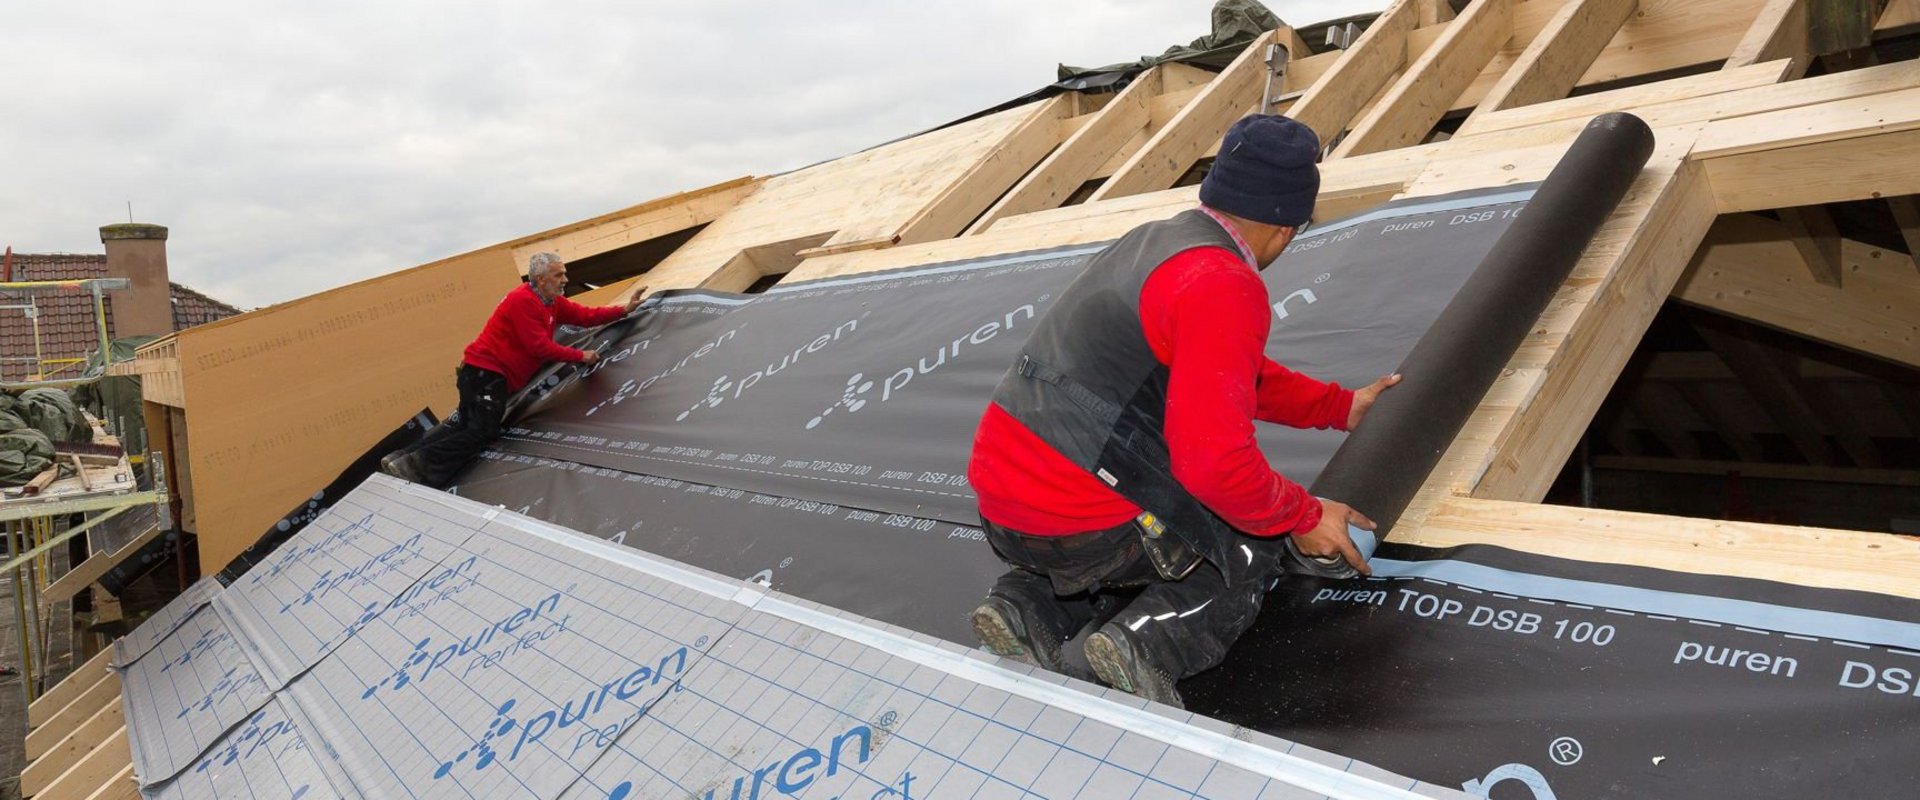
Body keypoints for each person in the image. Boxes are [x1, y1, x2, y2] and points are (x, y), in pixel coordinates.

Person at [966, 114, 1399, 707]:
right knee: (1247, 537)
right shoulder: (1223, 283)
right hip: (1082, 517)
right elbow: (1216, 466)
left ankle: (1022, 609)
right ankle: (1148, 645)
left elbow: (1230, 372)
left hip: (1005, 502)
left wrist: (1338, 407)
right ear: (1287, 230)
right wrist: (1303, 515)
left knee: (1133, 530)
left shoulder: (1154, 243)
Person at [381, 252, 643, 488]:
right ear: (540, 279)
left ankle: (399, 459)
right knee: (482, 432)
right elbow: (538, 347)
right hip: (486, 374)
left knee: (463, 426)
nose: (565, 279)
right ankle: (418, 466)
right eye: (558, 274)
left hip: (480, 373)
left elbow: (585, 315)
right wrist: (580, 355)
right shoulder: (523, 301)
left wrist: (624, 310)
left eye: (564, 273)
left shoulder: (552, 303)